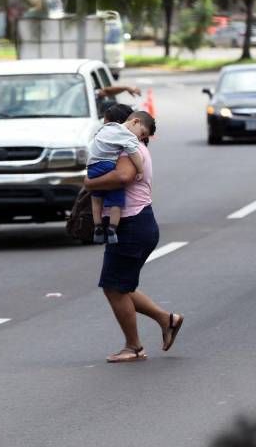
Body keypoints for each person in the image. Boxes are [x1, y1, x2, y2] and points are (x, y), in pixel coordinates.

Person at [84, 110, 184, 363]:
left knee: (114, 287)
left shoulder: (130, 148)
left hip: (132, 224)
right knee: (120, 286)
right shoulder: (126, 145)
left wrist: (89, 183)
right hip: (137, 224)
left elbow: (123, 176)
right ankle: (167, 320)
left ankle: (134, 346)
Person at [87, 112, 149, 245]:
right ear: (135, 122)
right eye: (142, 133)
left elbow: (93, 141)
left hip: (91, 166)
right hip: (107, 165)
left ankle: (97, 226)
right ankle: (112, 229)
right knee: (116, 200)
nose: (140, 138)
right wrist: (140, 170)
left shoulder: (108, 127)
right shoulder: (127, 135)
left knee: (96, 198)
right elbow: (133, 154)